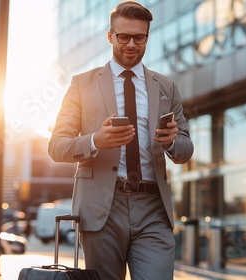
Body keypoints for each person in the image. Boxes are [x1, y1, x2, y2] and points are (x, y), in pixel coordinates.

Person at [48, 1, 194, 279]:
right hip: (103, 205)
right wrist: (95, 141)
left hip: (153, 207)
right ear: (110, 36)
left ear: (148, 37)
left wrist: (171, 142)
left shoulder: (166, 87)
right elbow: (57, 146)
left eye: (139, 37)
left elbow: (186, 148)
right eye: (123, 37)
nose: (131, 44)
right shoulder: (82, 84)